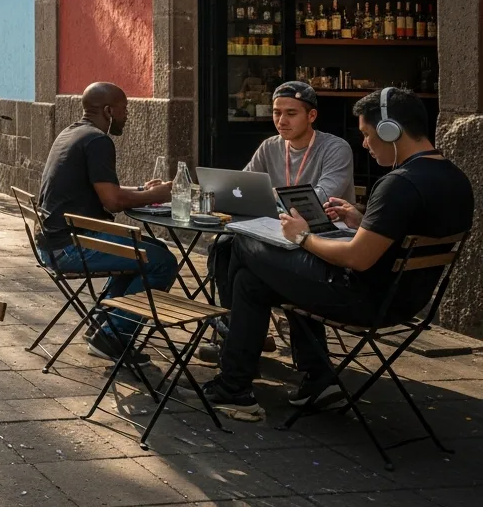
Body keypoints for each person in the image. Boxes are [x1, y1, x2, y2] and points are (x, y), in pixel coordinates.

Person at [202, 88, 474, 421]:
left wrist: (302, 237)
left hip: (361, 297)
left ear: (391, 130)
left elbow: (356, 258)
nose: (365, 144)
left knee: (240, 244)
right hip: (407, 298)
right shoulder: (456, 179)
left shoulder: (399, 184)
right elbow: (399, 234)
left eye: (366, 134)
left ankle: (234, 369)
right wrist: (362, 220)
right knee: (251, 281)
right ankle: (310, 378)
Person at [207, 81, 356, 352]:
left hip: (321, 234)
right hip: (278, 228)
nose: (281, 120)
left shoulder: (335, 148)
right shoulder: (270, 147)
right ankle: (238, 328)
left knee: (245, 257)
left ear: (311, 116)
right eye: (276, 112)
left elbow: (321, 196)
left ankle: (241, 336)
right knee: (222, 247)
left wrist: (272, 195)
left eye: (291, 113)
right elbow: (245, 185)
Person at [35, 82, 177, 363]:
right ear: (109, 111)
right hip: (69, 247)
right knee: (163, 262)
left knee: (147, 250)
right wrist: (157, 195)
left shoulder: (72, 132)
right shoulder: (99, 141)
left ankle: (102, 325)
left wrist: (141, 190)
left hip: (54, 242)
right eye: (124, 109)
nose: (127, 115)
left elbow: (102, 189)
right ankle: (113, 335)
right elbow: (111, 202)